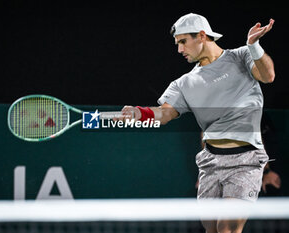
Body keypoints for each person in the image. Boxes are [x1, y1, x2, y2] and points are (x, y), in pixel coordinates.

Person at [118, 13, 275, 233]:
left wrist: (253, 45)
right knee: (211, 229)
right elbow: (163, 115)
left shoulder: (242, 56)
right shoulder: (183, 83)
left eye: (183, 42)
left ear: (201, 36)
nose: (179, 50)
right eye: (177, 44)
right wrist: (139, 114)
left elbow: (268, 76)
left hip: (245, 161)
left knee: (227, 228)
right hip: (210, 162)